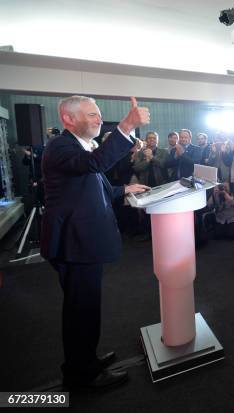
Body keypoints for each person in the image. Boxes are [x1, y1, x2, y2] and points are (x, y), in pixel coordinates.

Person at [41, 95, 150, 390]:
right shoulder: (60, 147)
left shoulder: (76, 146)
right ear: (68, 119)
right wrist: (126, 126)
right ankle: (81, 376)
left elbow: (92, 184)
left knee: (86, 307)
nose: (98, 120)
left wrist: (123, 189)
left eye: (98, 115)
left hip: (82, 240)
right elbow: (92, 165)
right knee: (81, 310)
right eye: (91, 115)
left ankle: (85, 359)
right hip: (74, 243)